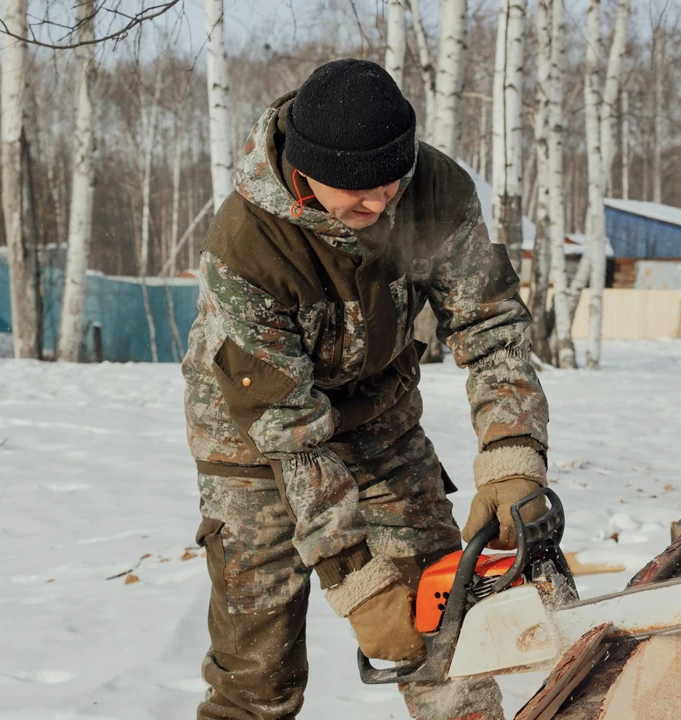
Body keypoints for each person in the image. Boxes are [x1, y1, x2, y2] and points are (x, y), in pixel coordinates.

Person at [182, 58, 550, 720]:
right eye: (357, 191)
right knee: (257, 674)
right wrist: (354, 578)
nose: (380, 204)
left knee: (446, 637)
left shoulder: (435, 190)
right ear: (305, 172)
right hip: (255, 439)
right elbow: (289, 433)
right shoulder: (245, 246)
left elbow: (490, 327)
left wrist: (512, 454)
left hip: (379, 420)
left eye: (391, 183)